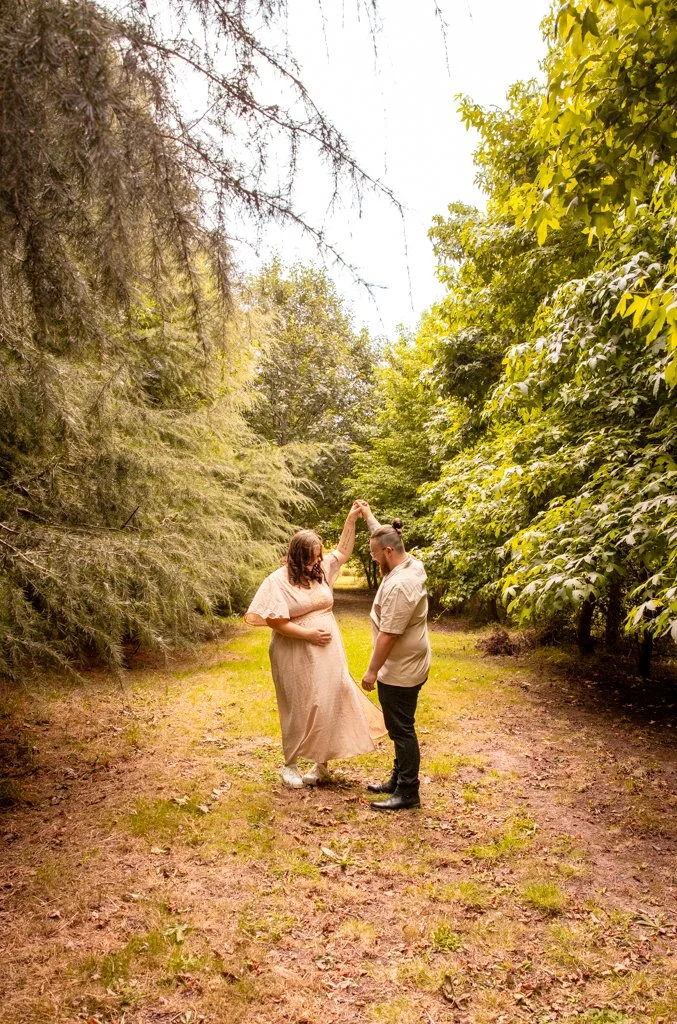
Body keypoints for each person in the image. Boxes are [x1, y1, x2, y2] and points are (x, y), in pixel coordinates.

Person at [244, 503, 386, 788]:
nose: (316, 563)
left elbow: (343, 551)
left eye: (318, 557)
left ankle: (321, 764)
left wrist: (350, 520)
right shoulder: (278, 581)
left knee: (329, 700)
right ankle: (290, 764)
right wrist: (308, 635)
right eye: (310, 560)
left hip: (328, 652)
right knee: (300, 705)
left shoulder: (321, 571)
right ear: (296, 558)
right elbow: (275, 622)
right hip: (294, 651)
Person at [357, 502, 431, 811]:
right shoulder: (407, 561)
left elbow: (388, 635)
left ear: (388, 552)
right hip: (407, 663)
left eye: (375, 556)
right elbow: (383, 534)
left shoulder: (402, 585)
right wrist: (368, 515)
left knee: (401, 729)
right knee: (399, 724)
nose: (375, 561)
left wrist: (372, 671)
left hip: (401, 669)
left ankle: (408, 792)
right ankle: (397, 779)